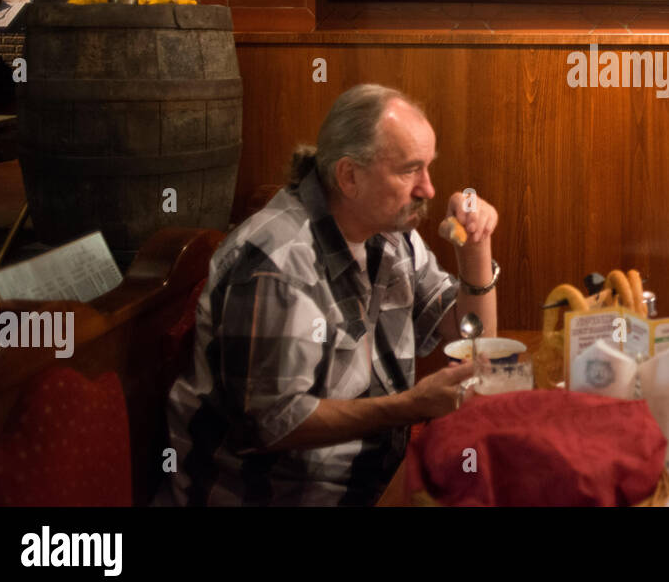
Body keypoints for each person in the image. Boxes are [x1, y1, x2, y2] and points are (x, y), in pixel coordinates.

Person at [165, 85, 502, 505]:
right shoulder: (276, 263)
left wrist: (475, 247)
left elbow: (474, 337)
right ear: (349, 176)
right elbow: (271, 425)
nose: (428, 189)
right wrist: (411, 406)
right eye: (409, 171)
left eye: (428, 167)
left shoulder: (392, 236)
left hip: (376, 479)